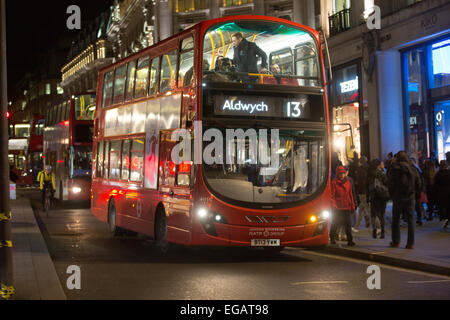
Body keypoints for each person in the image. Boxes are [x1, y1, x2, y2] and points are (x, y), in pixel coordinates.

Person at [388, 151, 420, 249]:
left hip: (398, 196)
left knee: (396, 219)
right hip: (410, 197)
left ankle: (396, 241)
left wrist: (392, 195)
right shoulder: (412, 168)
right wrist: (415, 193)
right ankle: (410, 243)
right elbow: (418, 182)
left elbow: (390, 183)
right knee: (411, 220)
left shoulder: (394, 168)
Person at [330, 166, 356, 246]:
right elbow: (332, 196)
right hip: (338, 207)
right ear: (337, 174)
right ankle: (332, 237)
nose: (342, 175)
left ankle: (350, 240)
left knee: (348, 224)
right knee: (335, 223)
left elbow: (350, 194)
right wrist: (334, 205)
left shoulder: (348, 182)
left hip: (346, 206)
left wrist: (352, 205)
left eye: (343, 173)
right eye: (340, 174)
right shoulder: (334, 183)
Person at [367, 159, 389, 239]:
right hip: (382, 196)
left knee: (373, 214)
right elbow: (387, 183)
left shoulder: (370, 173)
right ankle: (382, 232)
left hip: (373, 196)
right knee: (382, 215)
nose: (383, 164)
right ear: (378, 165)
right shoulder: (382, 173)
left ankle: (374, 230)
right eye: (382, 163)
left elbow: (368, 186)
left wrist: (368, 197)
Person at [355, 156, 371, 229]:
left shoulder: (360, 169)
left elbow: (361, 181)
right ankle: (356, 226)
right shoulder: (369, 168)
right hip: (367, 190)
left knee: (363, 205)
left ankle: (367, 216)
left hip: (361, 190)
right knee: (362, 206)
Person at [434, 160, 450, 229]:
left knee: (442, 205)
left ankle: (443, 217)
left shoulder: (438, 174)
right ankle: (447, 219)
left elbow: (436, 184)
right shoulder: (449, 173)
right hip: (449, 191)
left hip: (441, 192)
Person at [409, 157, 425, 226]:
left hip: (413, 190)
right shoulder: (417, 169)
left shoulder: (414, 169)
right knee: (417, 205)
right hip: (415, 190)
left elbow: (419, 180)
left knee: (415, 205)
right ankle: (419, 218)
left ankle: (417, 218)